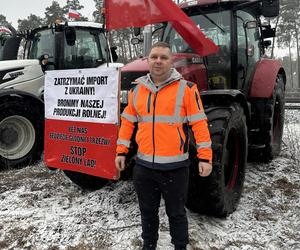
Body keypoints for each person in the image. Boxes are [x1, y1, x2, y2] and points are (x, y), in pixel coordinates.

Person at [115, 42, 212, 250]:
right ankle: (149, 245)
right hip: (144, 168)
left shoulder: (187, 89)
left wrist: (205, 157)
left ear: (172, 61)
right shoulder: (137, 90)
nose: (158, 61)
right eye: (154, 57)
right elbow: (128, 123)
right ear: (148, 60)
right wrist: (121, 151)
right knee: (147, 212)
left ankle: (180, 247)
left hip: (175, 168)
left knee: (176, 213)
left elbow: (200, 124)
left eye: (163, 57)